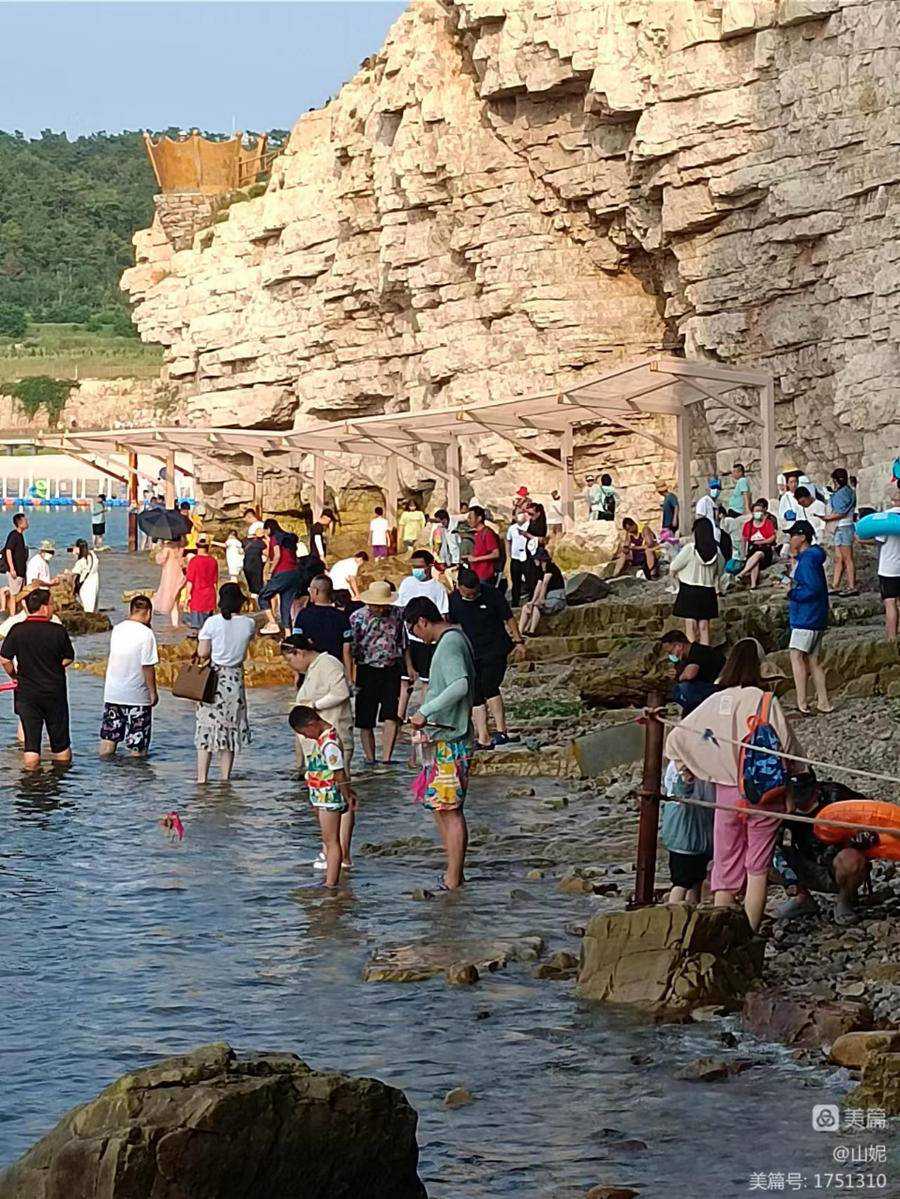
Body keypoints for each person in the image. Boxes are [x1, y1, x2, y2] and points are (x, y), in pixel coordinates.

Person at [664, 637, 800, 931]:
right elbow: (789, 750)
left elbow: (676, 738)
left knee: (725, 866)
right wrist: (795, 781)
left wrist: (688, 771)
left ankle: (720, 933)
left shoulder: (714, 700)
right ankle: (749, 934)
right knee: (757, 868)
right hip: (764, 794)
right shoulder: (765, 700)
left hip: (725, 794)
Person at [403, 595, 476, 890]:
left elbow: (461, 685)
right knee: (440, 807)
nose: (417, 637)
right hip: (444, 737)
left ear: (423, 621)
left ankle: (453, 878)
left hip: (452, 740)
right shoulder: (454, 639)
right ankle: (453, 872)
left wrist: (425, 711)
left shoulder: (449, 644)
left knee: (450, 810)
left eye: (414, 630)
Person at [282, 633, 355, 873]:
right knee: (325, 801)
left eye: (290, 660)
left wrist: (313, 706)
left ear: (299, 653)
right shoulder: (313, 669)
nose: (291, 666)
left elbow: (342, 691)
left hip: (332, 740)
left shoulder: (329, 663)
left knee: (340, 797)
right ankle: (332, 849)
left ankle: (340, 853)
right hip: (317, 747)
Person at [773, 772, 873, 926]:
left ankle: (845, 899)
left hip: (837, 865)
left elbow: (870, 816)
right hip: (804, 864)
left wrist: (859, 836)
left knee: (852, 859)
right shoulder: (782, 806)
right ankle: (802, 898)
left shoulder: (837, 795)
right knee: (761, 854)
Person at [449, 566, 525, 749]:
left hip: (495, 648)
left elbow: (508, 617)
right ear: (459, 587)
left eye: (474, 593)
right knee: (475, 693)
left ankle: (501, 731)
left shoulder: (491, 593)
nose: (471, 596)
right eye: (467, 594)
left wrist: (518, 640)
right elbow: (451, 625)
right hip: (471, 651)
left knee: (490, 686)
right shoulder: (453, 600)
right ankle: (483, 736)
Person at [0, 587, 75, 769]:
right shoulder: (58, 631)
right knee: (60, 745)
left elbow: (4, 658)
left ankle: (31, 779)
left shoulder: (17, 630)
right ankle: (60, 778)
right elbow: (68, 658)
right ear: (44, 607)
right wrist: (53, 666)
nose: (53, 608)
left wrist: (14, 675)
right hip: (54, 691)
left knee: (31, 745)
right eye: (51, 604)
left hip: (27, 692)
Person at [288, 705, 358, 888]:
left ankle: (330, 882)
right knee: (328, 840)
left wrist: (347, 795)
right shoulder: (324, 738)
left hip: (330, 798)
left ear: (312, 724)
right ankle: (330, 878)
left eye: (304, 733)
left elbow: (339, 773)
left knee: (331, 841)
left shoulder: (330, 743)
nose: (305, 737)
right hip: (322, 797)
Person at [195, 583, 256, 783]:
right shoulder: (248, 624)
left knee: (207, 729)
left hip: (214, 679)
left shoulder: (212, 622)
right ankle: (225, 779)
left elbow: (203, 652)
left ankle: (202, 779)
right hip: (235, 679)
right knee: (230, 729)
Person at [348, 579, 406, 767]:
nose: (380, 609)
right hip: (366, 670)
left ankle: (387, 758)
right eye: (377, 605)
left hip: (391, 668)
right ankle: (370, 758)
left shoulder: (398, 614)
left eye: (383, 605)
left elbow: (403, 642)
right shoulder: (357, 617)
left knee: (391, 714)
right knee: (365, 718)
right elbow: (350, 648)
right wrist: (350, 677)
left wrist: (410, 667)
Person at [99, 594, 158, 758]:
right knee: (137, 748)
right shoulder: (147, 634)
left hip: (113, 693)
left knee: (108, 741)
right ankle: (136, 775)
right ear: (148, 612)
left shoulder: (117, 629)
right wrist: (153, 692)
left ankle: (105, 772)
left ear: (131, 610)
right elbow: (147, 666)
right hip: (137, 696)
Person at [786, 519, 832, 715]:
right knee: (813, 660)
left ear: (802, 537)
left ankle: (802, 703)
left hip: (806, 617)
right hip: (817, 616)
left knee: (796, 655)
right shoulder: (811, 557)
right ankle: (824, 702)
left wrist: (791, 593)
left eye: (792, 535)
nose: (790, 539)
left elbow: (812, 588)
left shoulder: (807, 560)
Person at [661, 760, 714, 905]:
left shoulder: (694, 762)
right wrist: (687, 778)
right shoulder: (680, 765)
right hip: (686, 836)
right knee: (681, 882)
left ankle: (691, 909)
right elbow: (681, 790)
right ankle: (673, 913)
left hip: (697, 835)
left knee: (696, 880)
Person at [669, 517, 721, 645]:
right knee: (704, 627)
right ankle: (705, 652)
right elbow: (720, 571)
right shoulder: (717, 551)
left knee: (691, 626)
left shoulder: (690, 549)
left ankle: (693, 653)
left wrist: (676, 583)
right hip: (708, 591)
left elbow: (673, 567)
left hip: (689, 590)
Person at [292, 574, 352, 671]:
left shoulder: (303, 615)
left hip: (312, 669)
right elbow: (347, 650)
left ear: (315, 591)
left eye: (310, 590)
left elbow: (297, 644)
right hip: (335, 669)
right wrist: (348, 675)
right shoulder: (341, 616)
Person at [659, 628, 725, 714]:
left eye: (670, 652)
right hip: (705, 689)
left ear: (679, 646)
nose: (671, 655)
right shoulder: (684, 658)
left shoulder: (699, 651)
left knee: (683, 688)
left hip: (716, 688)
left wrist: (679, 676)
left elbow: (690, 674)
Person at [259, 523, 301, 634]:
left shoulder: (275, 537)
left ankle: (273, 623)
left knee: (263, 596)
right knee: (285, 607)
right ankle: (288, 635)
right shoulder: (288, 538)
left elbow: (277, 555)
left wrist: (270, 572)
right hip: (294, 573)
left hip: (282, 572)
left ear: (269, 528)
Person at [821, 467, 858, 596]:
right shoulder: (845, 491)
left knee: (847, 558)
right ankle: (835, 585)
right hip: (839, 527)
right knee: (838, 558)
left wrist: (827, 518)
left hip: (844, 526)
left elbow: (841, 512)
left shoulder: (844, 493)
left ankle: (851, 586)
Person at [875, 470, 900, 642]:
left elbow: (879, 540)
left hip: (889, 568)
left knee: (890, 603)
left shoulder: (887, 518)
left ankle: (891, 638)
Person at [519, 546, 566, 636]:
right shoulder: (541, 570)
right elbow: (539, 586)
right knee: (526, 607)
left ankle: (531, 631)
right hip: (548, 596)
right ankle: (520, 632)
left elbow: (545, 583)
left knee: (537, 607)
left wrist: (541, 599)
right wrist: (532, 601)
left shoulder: (551, 567)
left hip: (556, 597)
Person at [736, 498, 778, 588]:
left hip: (765, 550)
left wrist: (761, 542)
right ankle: (753, 585)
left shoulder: (768, 523)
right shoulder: (748, 525)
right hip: (752, 550)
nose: (759, 513)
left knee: (758, 554)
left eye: (760, 511)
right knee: (755, 561)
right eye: (757, 511)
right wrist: (742, 555)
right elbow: (744, 540)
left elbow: (772, 537)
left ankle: (742, 573)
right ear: (752, 512)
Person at [183, 535, 219, 634]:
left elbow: (190, 581)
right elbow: (215, 582)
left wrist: (186, 598)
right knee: (209, 630)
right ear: (208, 547)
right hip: (210, 597)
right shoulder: (213, 561)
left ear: (196, 546)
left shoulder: (194, 561)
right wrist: (216, 600)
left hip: (198, 598)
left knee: (198, 630)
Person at [152, 538, 185, 628]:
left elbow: (159, 560)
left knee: (167, 598)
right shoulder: (181, 547)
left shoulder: (167, 548)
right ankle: (175, 623)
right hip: (179, 576)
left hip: (169, 576)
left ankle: (174, 623)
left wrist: (159, 548)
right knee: (175, 600)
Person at [466, 505, 502, 586]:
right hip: (476, 573)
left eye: (470, 518)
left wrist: (476, 559)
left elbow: (496, 553)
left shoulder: (488, 533)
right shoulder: (477, 533)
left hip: (484, 574)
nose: (468, 520)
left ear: (479, 518)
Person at [3, 512, 28, 615]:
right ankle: (12, 615)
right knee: (14, 595)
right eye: (25, 521)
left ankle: (20, 614)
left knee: (21, 594)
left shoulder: (20, 535)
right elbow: (8, 550)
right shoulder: (14, 535)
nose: (27, 522)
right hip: (15, 571)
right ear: (20, 523)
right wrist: (12, 568)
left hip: (21, 571)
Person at [506, 509, 532, 607]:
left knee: (529, 580)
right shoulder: (512, 528)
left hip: (526, 557)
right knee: (515, 581)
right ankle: (515, 602)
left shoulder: (529, 526)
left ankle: (530, 600)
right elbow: (508, 540)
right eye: (518, 514)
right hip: (515, 558)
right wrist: (509, 553)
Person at [70, 538, 100, 613]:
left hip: (85, 586)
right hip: (95, 583)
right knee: (93, 607)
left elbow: (73, 574)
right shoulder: (93, 555)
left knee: (87, 608)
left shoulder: (81, 561)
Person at [777, 470, 802, 553]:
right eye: (791, 482)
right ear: (787, 484)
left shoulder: (801, 495)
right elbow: (781, 513)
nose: (794, 484)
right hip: (790, 524)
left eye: (795, 482)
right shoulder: (785, 497)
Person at [242, 520, 265, 599]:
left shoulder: (245, 542)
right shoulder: (260, 543)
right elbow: (267, 552)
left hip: (247, 565)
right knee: (258, 586)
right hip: (256, 566)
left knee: (252, 587)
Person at [695, 478, 722, 544]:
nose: (716, 490)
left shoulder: (715, 503)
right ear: (708, 489)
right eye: (713, 488)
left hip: (716, 535)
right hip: (708, 537)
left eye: (718, 488)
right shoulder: (703, 501)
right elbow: (700, 519)